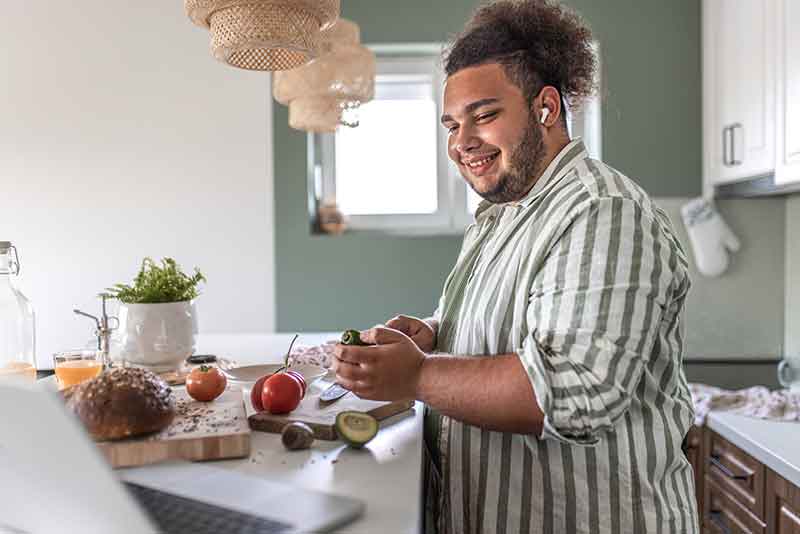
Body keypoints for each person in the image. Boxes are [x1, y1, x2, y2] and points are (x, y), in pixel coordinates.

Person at [331, 1, 698, 532]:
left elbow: (574, 391)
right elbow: (517, 327)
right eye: (452, 124)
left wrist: (415, 374)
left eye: (484, 116)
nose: (462, 143)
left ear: (546, 108)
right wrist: (436, 332)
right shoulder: (501, 214)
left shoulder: (602, 210)